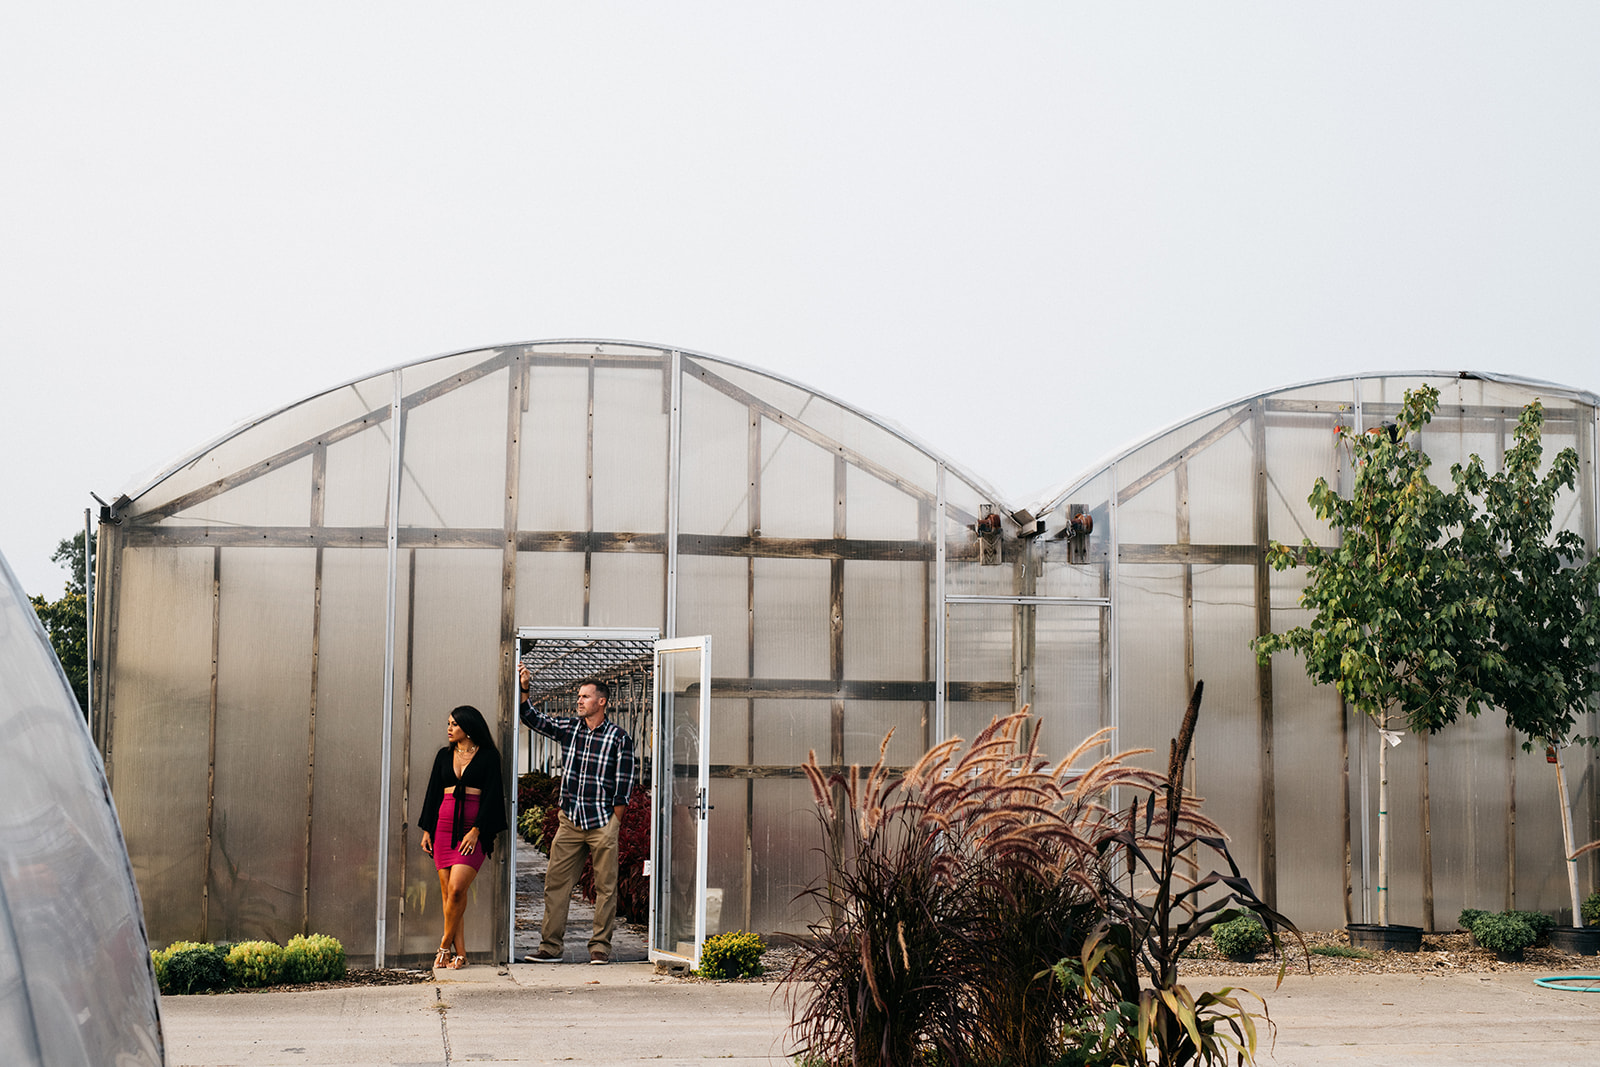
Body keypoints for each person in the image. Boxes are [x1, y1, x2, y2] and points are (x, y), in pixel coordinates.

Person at [518, 665, 637, 964]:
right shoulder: (571, 730)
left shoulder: (619, 739)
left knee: (605, 888)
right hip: (570, 820)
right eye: (579, 696)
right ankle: (550, 947)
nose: (579, 701)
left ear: (602, 702)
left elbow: (624, 786)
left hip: (601, 823)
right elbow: (532, 718)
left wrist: (614, 825)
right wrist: (525, 688)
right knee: (556, 883)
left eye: (585, 696)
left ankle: (600, 947)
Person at [418, 704, 506, 969]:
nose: (449, 728)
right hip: (443, 827)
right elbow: (433, 792)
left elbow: (492, 796)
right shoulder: (443, 756)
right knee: (449, 897)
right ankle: (461, 954)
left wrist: (477, 830)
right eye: (448, 723)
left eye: (454, 724)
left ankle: (444, 946)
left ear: (468, 727)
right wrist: (427, 830)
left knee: (457, 891)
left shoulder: (489, 756)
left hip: (472, 830)